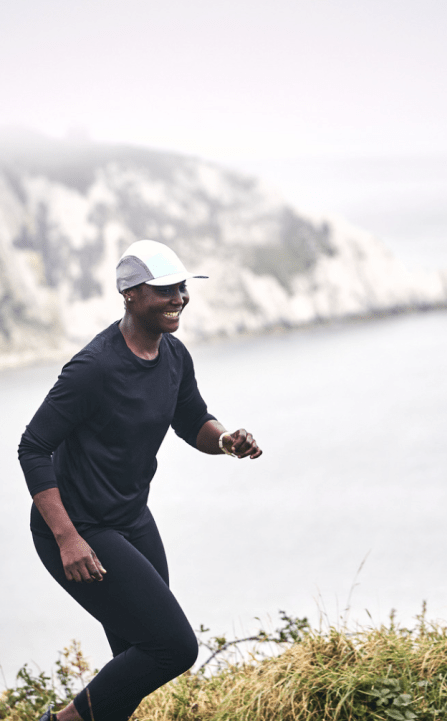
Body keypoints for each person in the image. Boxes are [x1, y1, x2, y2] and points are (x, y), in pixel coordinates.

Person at [18, 239, 262, 721]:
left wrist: (225, 440)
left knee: (136, 655)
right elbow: (33, 447)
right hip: (78, 527)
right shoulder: (94, 368)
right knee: (173, 647)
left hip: (131, 520)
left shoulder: (173, 355)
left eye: (183, 287)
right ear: (130, 294)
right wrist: (68, 538)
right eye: (166, 290)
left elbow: (192, 419)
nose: (179, 298)